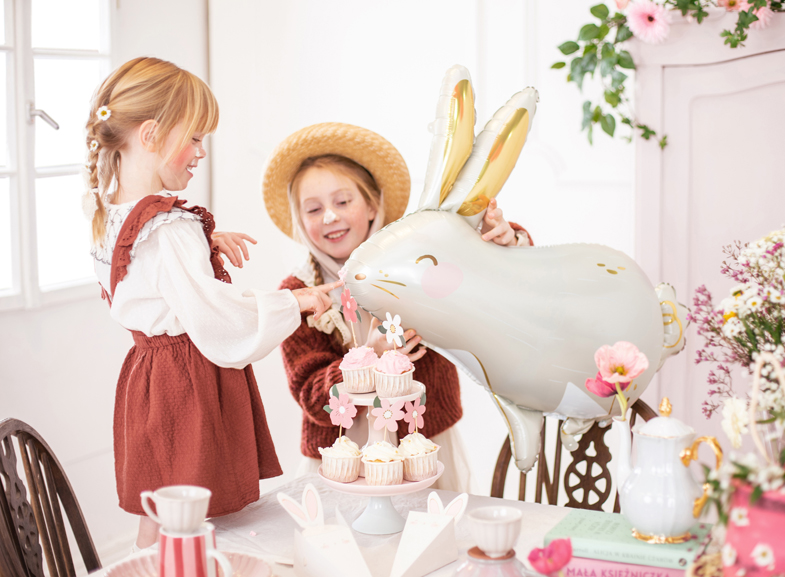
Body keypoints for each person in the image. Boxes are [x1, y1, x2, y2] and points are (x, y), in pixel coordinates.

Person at [85, 58, 339, 549]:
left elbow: (148, 278)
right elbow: (219, 320)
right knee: (195, 519)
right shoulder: (170, 229)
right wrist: (295, 302)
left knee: (157, 510)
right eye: (196, 138)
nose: (201, 152)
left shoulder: (113, 213)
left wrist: (200, 242)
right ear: (153, 134)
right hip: (185, 383)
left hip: (147, 378)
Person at [262, 123, 530, 493]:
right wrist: (368, 356)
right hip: (342, 457)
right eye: (313, 208)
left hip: (421, 445)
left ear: (372, 205)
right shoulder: (299, 294)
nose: (329, 217)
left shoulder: (414, 259)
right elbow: (310, 394)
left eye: (343, 202)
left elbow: (469, 260)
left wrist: (503, 239)